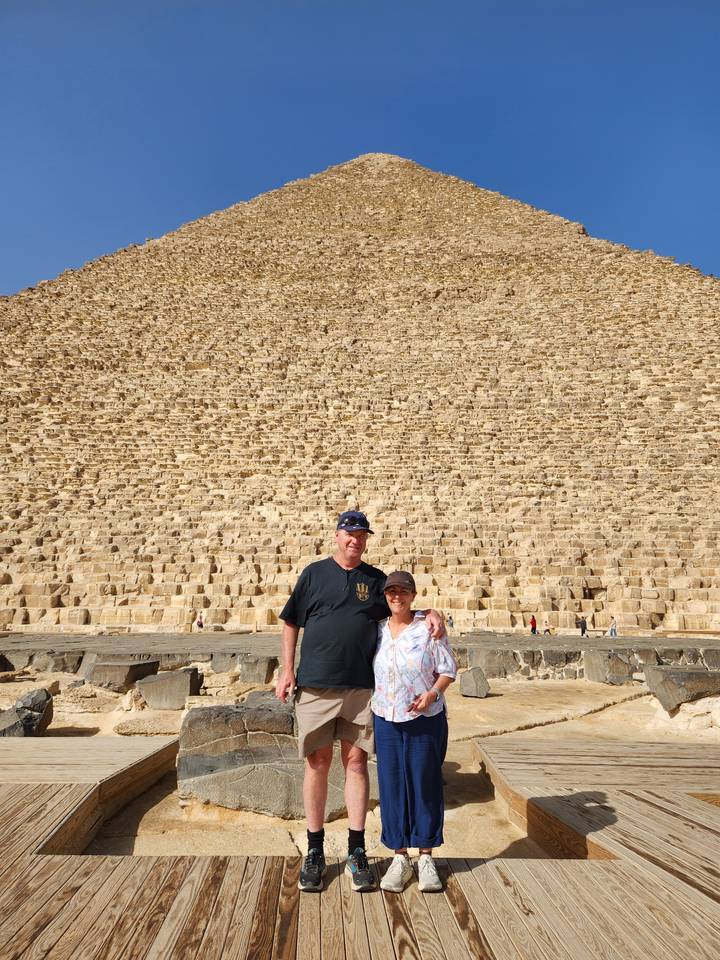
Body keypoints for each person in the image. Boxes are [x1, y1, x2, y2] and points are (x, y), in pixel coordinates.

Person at [276, 511, 445, 893]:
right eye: (348, 533)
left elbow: (402, 609)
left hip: (359, 690)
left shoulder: (376, 580)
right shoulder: (313, 574)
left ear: (366, 539)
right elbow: (290, 622)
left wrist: (432, 612)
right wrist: (286, 669)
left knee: (355, 762)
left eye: (361, 534)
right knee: (317, 762)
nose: (354, 539)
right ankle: (315, 850)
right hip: (316, 686)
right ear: (337, 535)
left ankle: (357, 849)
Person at [373, 571, 457, 893]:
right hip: (386, 718)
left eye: (403, 591)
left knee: (425, 784)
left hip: (424, 719)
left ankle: (425, 856)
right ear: (385, 595)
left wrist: (432, 694)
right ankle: (399, 856)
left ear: (413, 594)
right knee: (392, 787)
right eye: (391, 591)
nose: (397, 597)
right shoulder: (377, 631)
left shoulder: (427, 629)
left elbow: (448, 669)